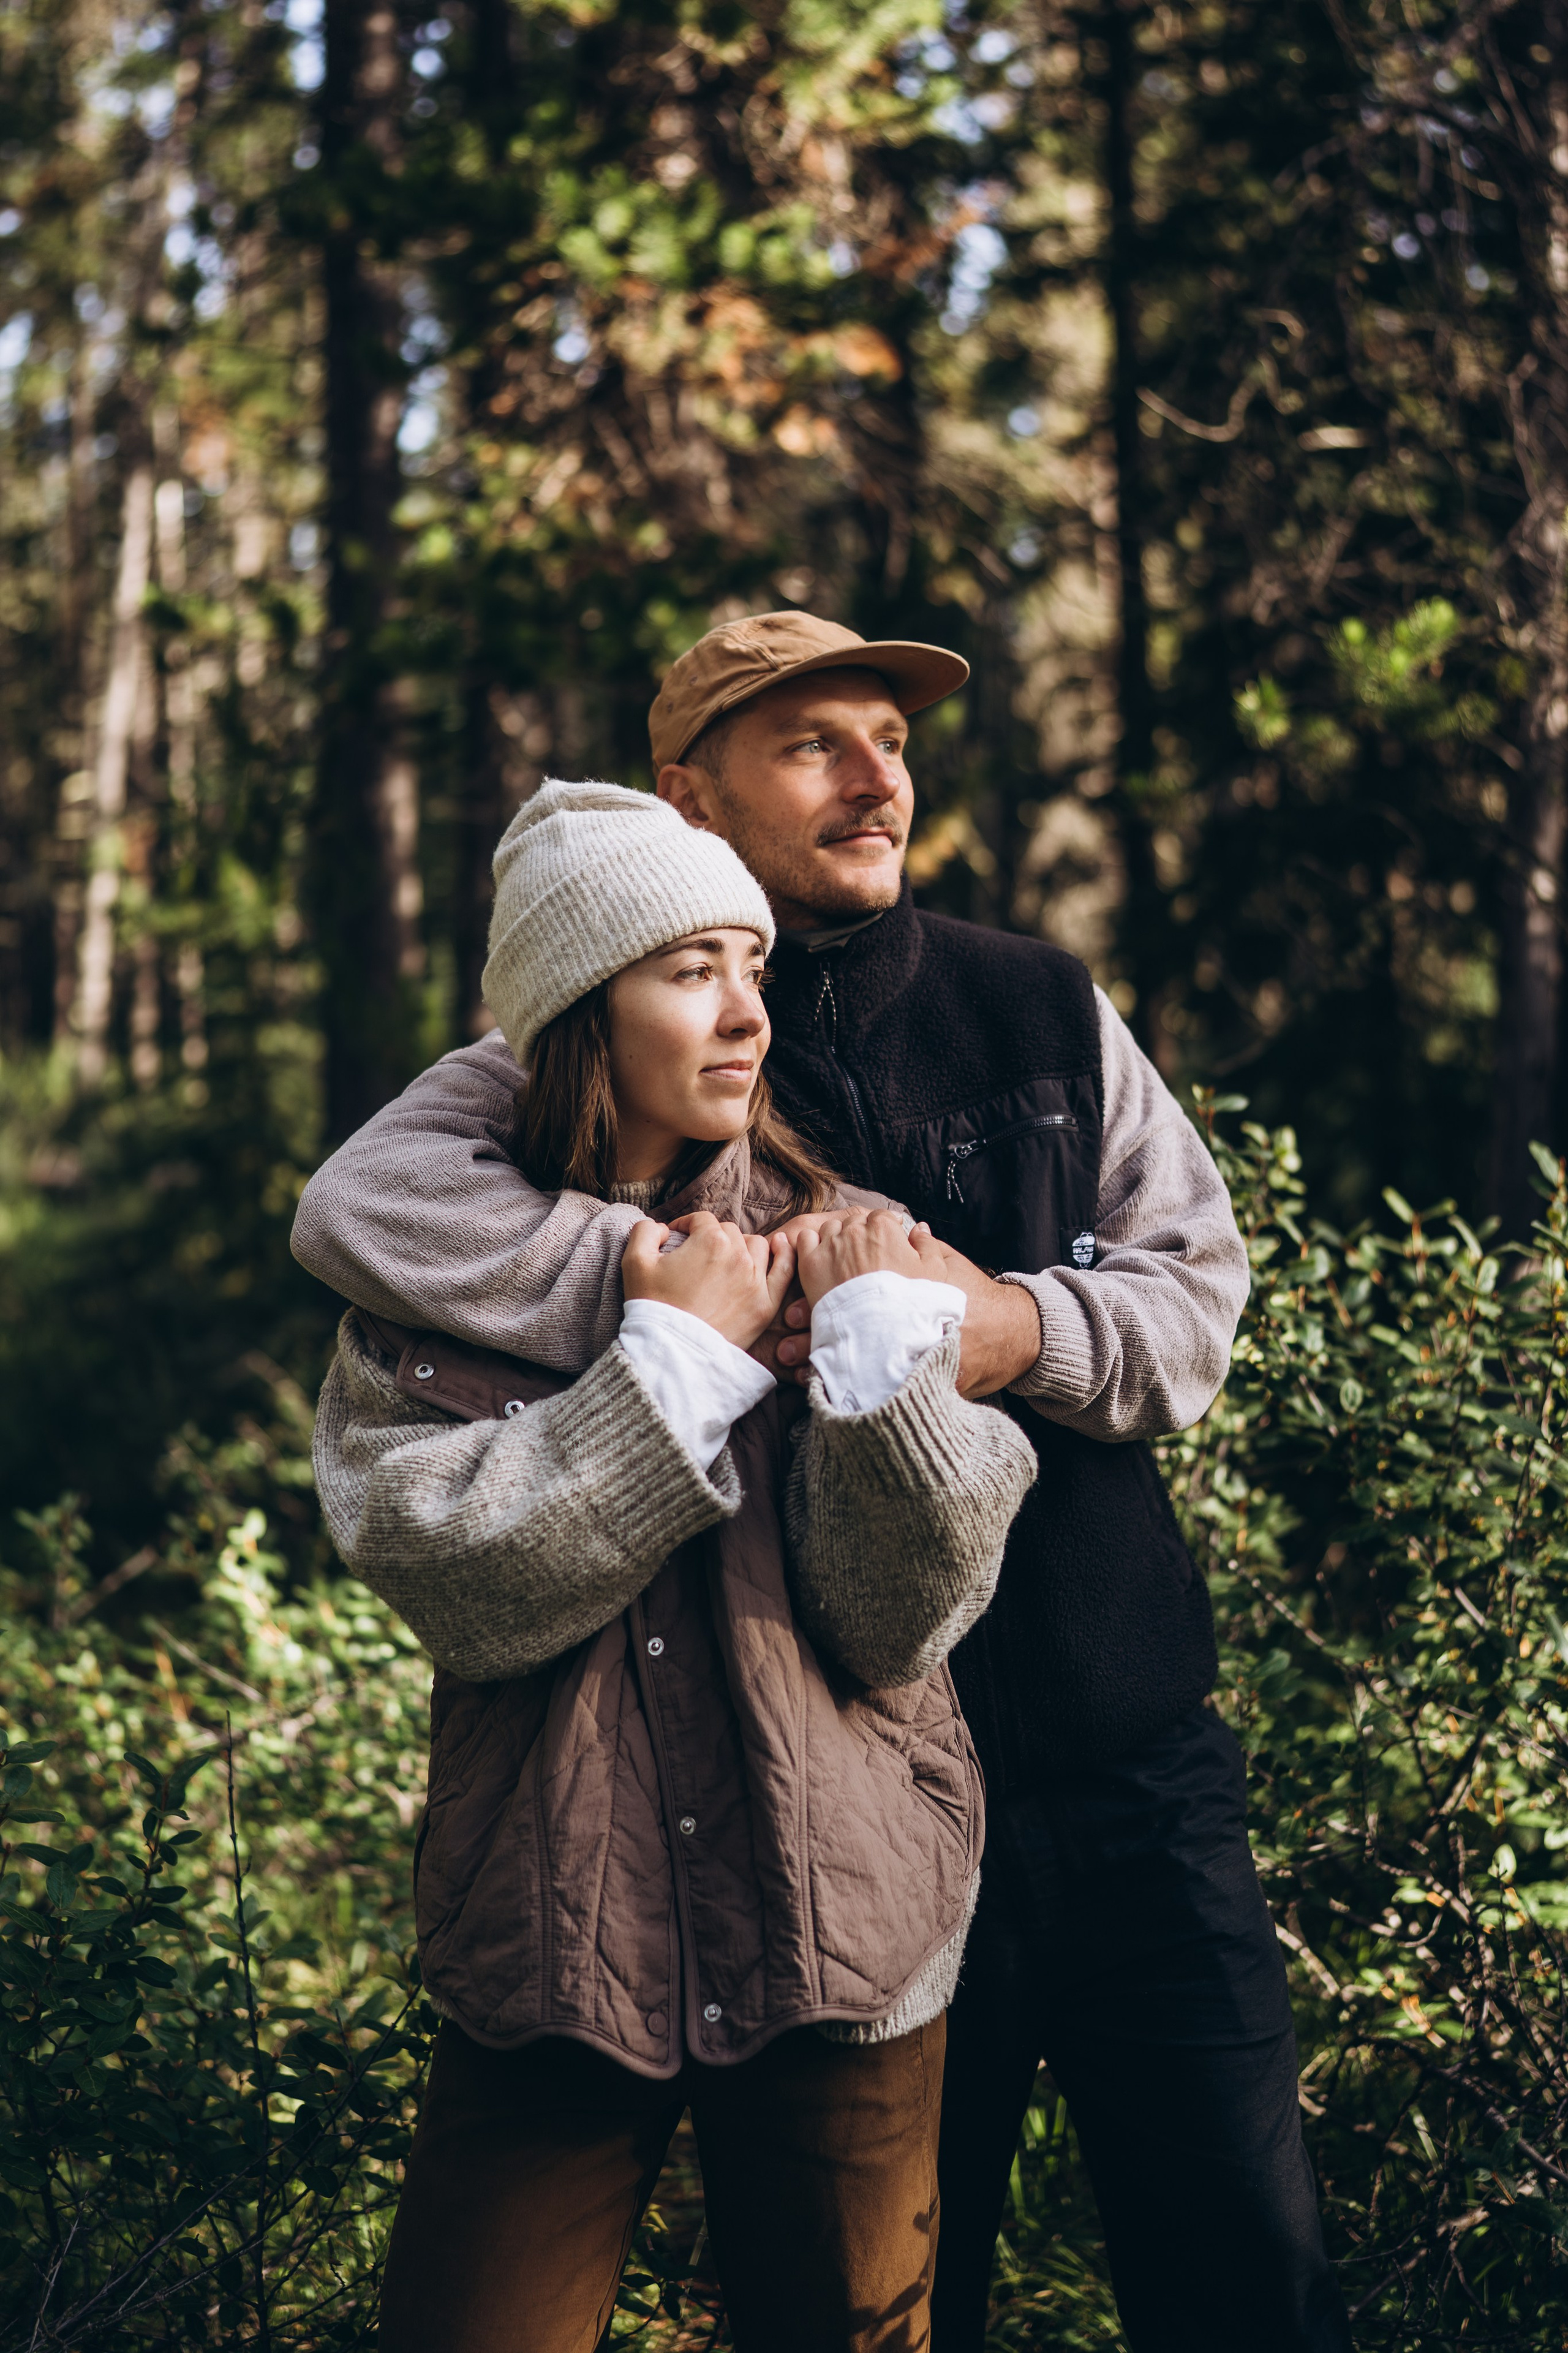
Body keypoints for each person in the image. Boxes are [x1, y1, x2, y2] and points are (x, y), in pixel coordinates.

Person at [295, 613, 1355, 2352]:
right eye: (815, 745)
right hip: (831, 1826)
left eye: (892, 736)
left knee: (1248, 2276)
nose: (880, 777)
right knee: (925, 2292)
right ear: (687, 799)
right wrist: (660, 1289)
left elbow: (1196, 1300)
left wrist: (984, 1323)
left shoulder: (1032, 1005)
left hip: (1108, 1763)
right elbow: (361, 1207)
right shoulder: (592, 1051)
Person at [310, 776, 1038, 2353]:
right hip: (552, 1949)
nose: (744, 1013)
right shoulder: (426, 1291)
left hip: (837, 1931)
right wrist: (670, 1372)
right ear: (577, 1007)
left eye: (750, 965)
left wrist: (874, 1378)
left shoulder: (850, 1242)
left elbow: (897, 1616)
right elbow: (454, 1576)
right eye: (687, 969)